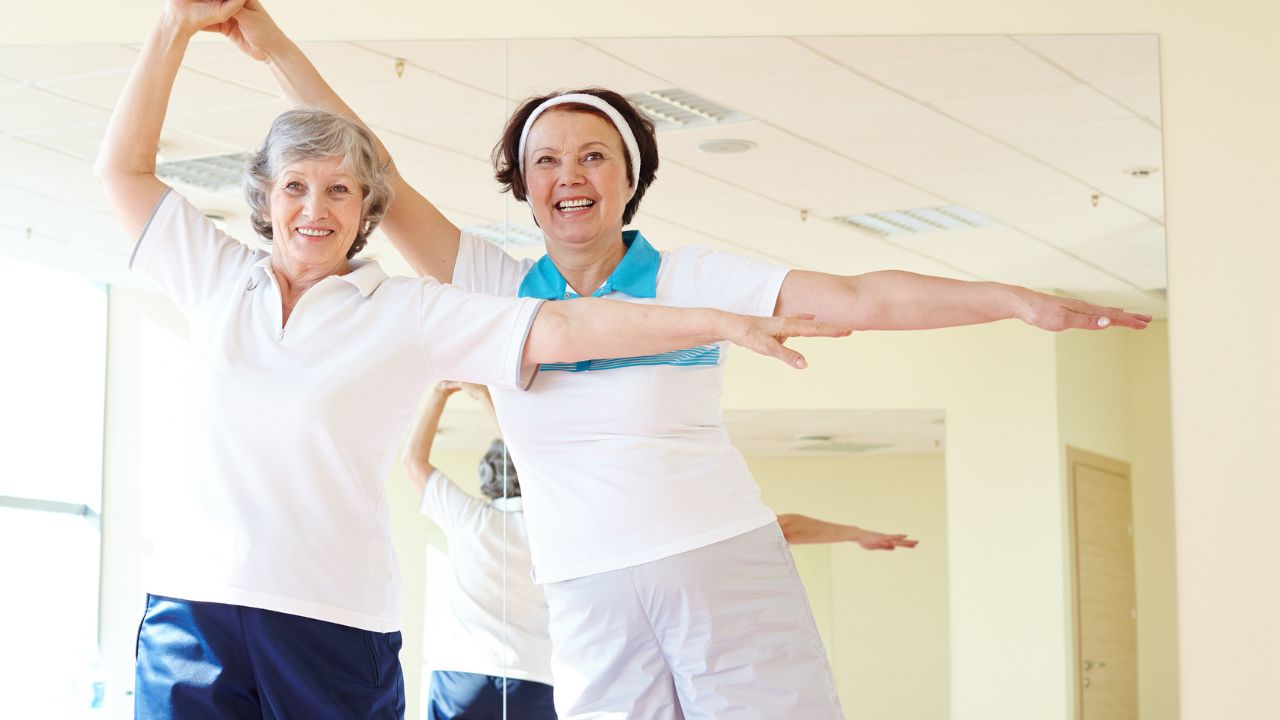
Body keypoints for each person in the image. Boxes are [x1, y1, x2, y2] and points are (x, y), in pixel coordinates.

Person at [216, 4, 1150, 717]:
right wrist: (275, 46)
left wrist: (1013, 300)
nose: (569, 176)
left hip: (720, 565)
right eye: (546, 162)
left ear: (630, 177)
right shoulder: (492, 287)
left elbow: (862, 296)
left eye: (593, 157)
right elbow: (370, 162)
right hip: (585, 591)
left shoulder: (697, 277)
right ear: (524, 188)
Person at [95, 2, 848, 717]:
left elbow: (568, 327)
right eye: (295, 187)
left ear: (368, 209)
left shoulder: (409, 311)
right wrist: (173, 26)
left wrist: (717, 322)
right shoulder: (215, 277)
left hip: (331, 618)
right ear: (265, 199)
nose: (315, 209)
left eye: (340, 190)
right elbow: (123, 172)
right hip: (191, 607)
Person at [403, 382, 557, 720]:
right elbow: (538, 466)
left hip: (463, 674)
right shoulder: (553, 528)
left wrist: (440, 391)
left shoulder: (468, 518)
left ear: (487, 475)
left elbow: (413, 462)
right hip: (535, 677)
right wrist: (488, 398)